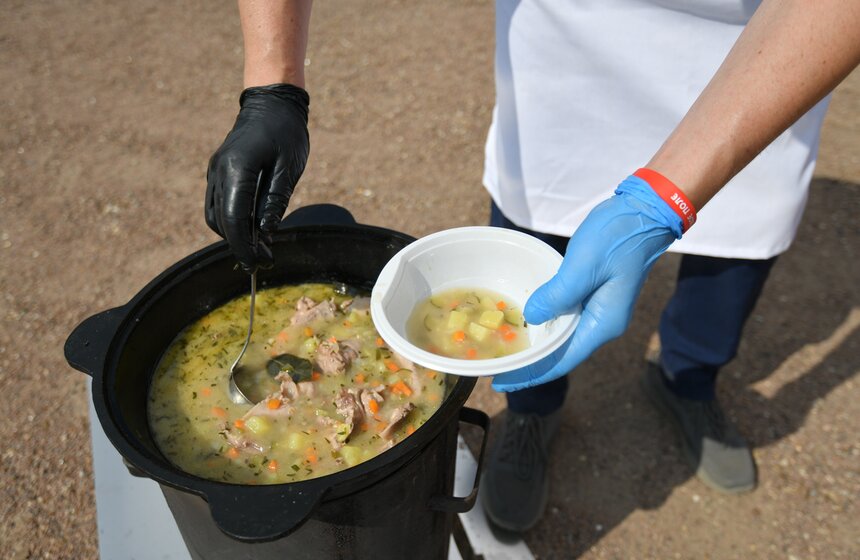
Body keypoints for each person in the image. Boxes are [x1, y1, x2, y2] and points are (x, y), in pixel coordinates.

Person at [203, 0, 860, 535]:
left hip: (770, 47)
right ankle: (533, 411)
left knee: (735, 250)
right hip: (569, 45)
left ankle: (689, 381)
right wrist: (273, 86)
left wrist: (666, 196)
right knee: (528, 252)